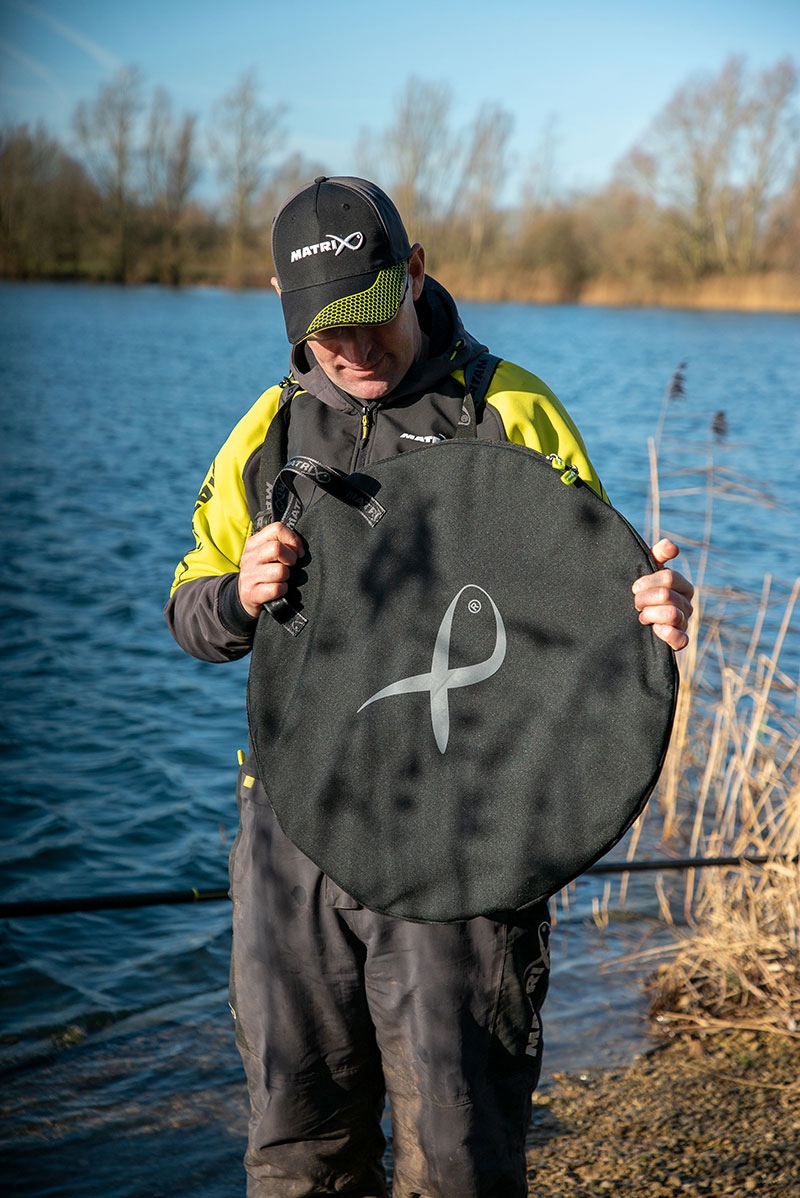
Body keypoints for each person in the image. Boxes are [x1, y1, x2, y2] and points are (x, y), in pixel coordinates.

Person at [166, 176, 694, 1198]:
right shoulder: (268, 433)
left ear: (413, 274)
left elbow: (598, 603)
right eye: (326, 333)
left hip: (470, 839)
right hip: (293, 835)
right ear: (285, 311)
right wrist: (237, 596)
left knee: (458, 1154)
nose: (354, 351)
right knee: (297, 1150)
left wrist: (652, 606)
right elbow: (190, 607)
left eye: (372, 317)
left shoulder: (509, 407)